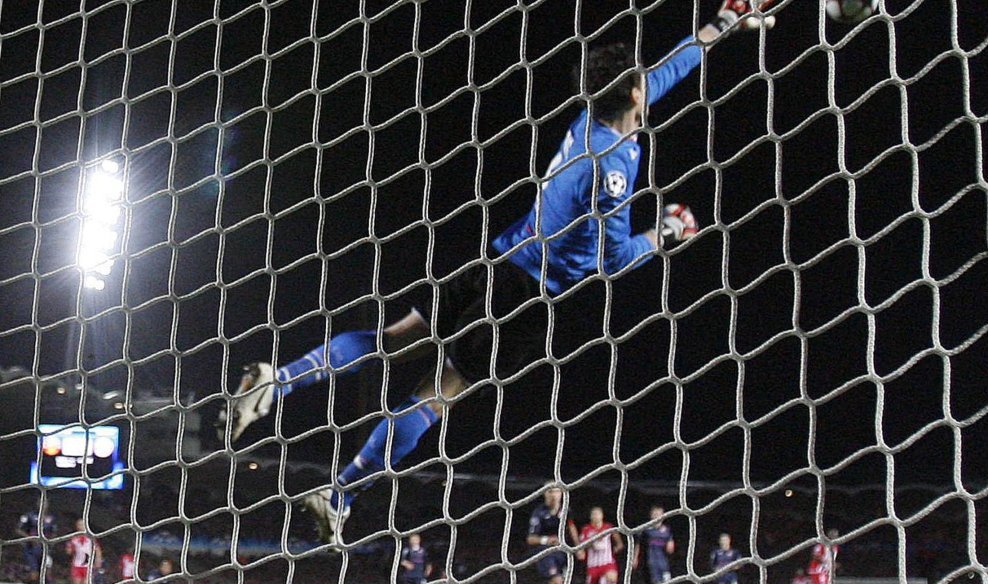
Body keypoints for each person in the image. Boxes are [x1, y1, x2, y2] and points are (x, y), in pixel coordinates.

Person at [215, 0, 779, 545]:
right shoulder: (612, 169)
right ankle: (340, 493)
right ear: (635, 95)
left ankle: (277, 379)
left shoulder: (594, 120)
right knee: (439, 393)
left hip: (498, 260)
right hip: (530, 298)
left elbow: (669, 69)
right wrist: (667, 233)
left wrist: (724, 23)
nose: (649, 86)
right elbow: (610, 261)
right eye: (642, 84)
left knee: (393, 342)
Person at [525, 485, 571, 584]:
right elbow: (530, 539)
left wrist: (579, 547)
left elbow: (572, 527)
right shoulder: (539, 512)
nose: (554, 495)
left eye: (556, 491)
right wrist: (547, 540)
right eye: (550, 491)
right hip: (545, 552)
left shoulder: (566, 511)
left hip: (563, 552)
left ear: (561, 494)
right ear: (545, 493)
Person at [577, 507, 624, 584]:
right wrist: (581, 551)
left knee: (611, 579)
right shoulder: (586, 529)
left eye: (598, 514)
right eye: (594, 514)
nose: (596, 516)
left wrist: (617, 547)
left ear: (602, 516)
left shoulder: (608, 527)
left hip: (607, 562)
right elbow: (581, 545)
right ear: (590, 517)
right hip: (593, 564)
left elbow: (619, 542)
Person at [16, 498, 57, 584]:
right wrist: (30, 538)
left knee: (47, 573)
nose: (43, 504)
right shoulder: (29, 515)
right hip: (31, 549)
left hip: (45, 550)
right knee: (34, 575)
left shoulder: (51, 518)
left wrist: (49, 541)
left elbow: (54, 532)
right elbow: (18, 529)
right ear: (37, 504)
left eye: (45, 502)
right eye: (41, 502)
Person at [633, 505, 675, 584]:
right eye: (655, 514)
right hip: (651, 562)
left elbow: (671, 549)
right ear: (651, 515)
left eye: (659, 514)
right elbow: (638, 544)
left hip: (664, 563)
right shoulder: (645, 529)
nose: (657, 516)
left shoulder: (667, 530)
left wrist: (671, 544)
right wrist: (634, 558)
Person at [65, 518, 103, 584]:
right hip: (77, 565)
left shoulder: (91, 538)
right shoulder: (74, 538)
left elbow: (97, 550)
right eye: (79, 524)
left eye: (82, 524)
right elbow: (69, 552)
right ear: (76, 526)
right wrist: (70, 548)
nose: (81, 526)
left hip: (88, 565)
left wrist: (98, 560)